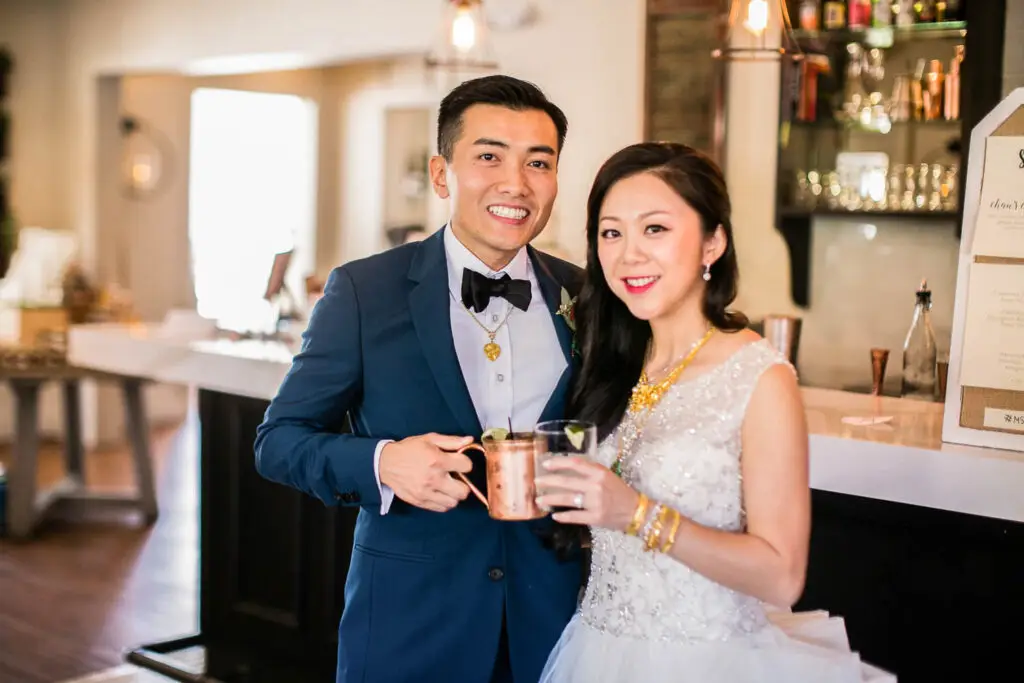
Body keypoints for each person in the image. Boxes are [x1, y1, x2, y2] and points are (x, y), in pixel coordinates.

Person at [254, 75, 585, 683]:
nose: (516, 183)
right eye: (489, 157)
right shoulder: (363, 291)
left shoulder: (587, 296)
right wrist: (384, 463)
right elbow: (279, 441)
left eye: (539, 162)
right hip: (411, 624)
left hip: (558, 624)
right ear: (442, 175)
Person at [533, 142, 896, 682]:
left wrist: (634, 513)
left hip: (709, 660)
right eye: (611, 232)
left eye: (655, 229)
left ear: (712, 242)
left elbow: (782, 576)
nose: (629, 253)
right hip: (599, 652)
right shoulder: (613, 366)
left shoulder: (760, 378)